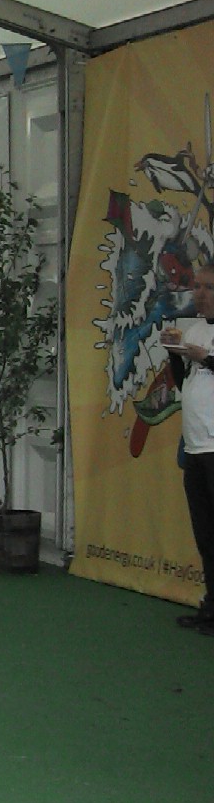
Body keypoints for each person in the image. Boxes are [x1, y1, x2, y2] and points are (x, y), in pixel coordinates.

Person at [163, 263, 214, 634]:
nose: (200, 294)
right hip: (196, 447)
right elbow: (184, 384)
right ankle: (210, 607)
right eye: (197, 286)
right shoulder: (196, 330)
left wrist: (205, 359)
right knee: (205, 534)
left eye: (208, 288)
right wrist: (173, 354)